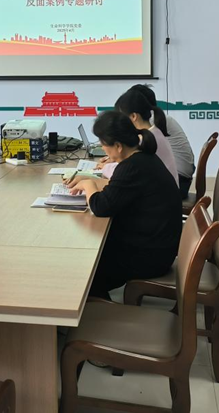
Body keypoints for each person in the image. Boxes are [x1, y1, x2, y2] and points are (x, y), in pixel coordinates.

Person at [65, 110, 182, 299]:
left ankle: (99, 309)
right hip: (157, 245)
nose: (103, 150)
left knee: (85, 270)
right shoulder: (142, 157)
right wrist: (91, 181)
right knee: (90, 254)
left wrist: (88, 184)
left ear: (118, 146)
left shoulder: (131, 167)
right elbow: (117, 192)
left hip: (150, 256)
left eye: (103, 145)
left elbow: (101, 207)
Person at [130, 84, 195, 198]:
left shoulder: (150, 121)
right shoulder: (158, 117)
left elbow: (135, 151)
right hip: (180, 179)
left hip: (176, 183)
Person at [110, 88, 180, 184]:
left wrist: (105, 167)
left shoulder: (146, 140)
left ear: (134, 116)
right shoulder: (154, 132)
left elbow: (127, 171)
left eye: (122, 118)